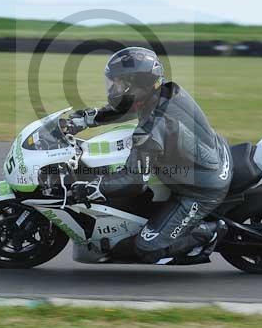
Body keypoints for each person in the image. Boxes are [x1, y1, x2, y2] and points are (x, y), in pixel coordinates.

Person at [65, 46, 232, 264]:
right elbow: (125, 108)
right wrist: (84, 119)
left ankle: (208, 231)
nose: (114, 87)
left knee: (147, 248)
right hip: (207, 156)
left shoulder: (151, 131)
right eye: (113, 81)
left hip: (200, 190)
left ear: (139, 85)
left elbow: (134, 181)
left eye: (120, 83)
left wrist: (93, 187)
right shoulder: (163, 92)